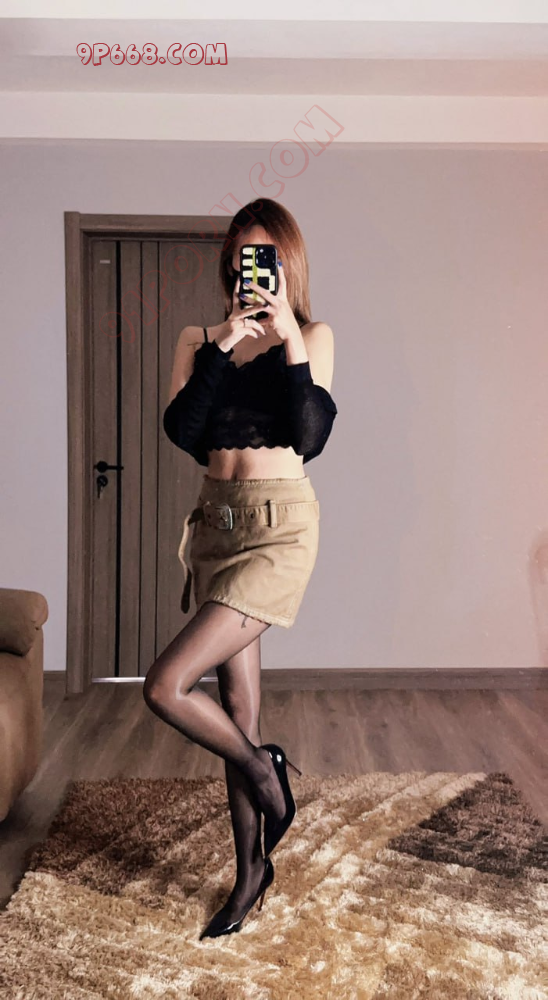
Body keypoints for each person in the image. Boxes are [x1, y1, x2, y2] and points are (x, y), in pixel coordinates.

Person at [143, 198, 337, 940]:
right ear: (230, 263)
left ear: (288, 263)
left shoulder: (312, 336)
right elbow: (182, 430)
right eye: (242, 256)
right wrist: (225, 342)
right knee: (238, 713)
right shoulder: (200, 338)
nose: (252, 267)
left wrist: (285, 338)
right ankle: (252, 870)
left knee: (166, 686)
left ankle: (264, 770)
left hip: (278, 531)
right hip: (216, 527)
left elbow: (310, 436)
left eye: (268, 256)